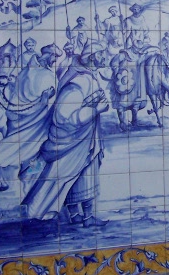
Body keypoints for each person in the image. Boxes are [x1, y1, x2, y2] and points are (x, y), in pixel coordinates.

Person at [20, 42, 110, 227]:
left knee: (75, 177)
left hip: (81, 139)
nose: (105, 58)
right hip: (72, 141)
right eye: (102, 54)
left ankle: (77, 215)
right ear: (92, 57)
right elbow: (64, 117)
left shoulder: (83, 76)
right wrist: (96, 109)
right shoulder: (78, 82)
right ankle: (86, 217)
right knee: (84, 176)